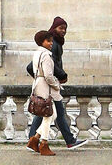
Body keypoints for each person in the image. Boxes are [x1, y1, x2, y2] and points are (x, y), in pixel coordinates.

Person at [26, 17, 87, 150]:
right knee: (54, 113)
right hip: (49, 87)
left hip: (44, 86)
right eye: (61, 28)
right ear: (54, 29)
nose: (63, 31)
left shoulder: (52, 44)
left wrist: (38, 80)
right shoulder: (51, 47)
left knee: (46, 113)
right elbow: (45, 69)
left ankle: (33, 140)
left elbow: (34, 68)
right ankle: (64, 141)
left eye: (65, 28)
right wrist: (59, 78)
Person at [28, 30, 60, 156]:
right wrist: (56, 85)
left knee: (52, 115)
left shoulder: (37, 53)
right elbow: (48, 75)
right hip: (44, 86)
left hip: (37, 84)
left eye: (51, 41)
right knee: (48, 116)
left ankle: (34, 139)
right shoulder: (46, 55)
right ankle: (44, 144)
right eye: (48, 41)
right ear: (42, 42)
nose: (51, 43)